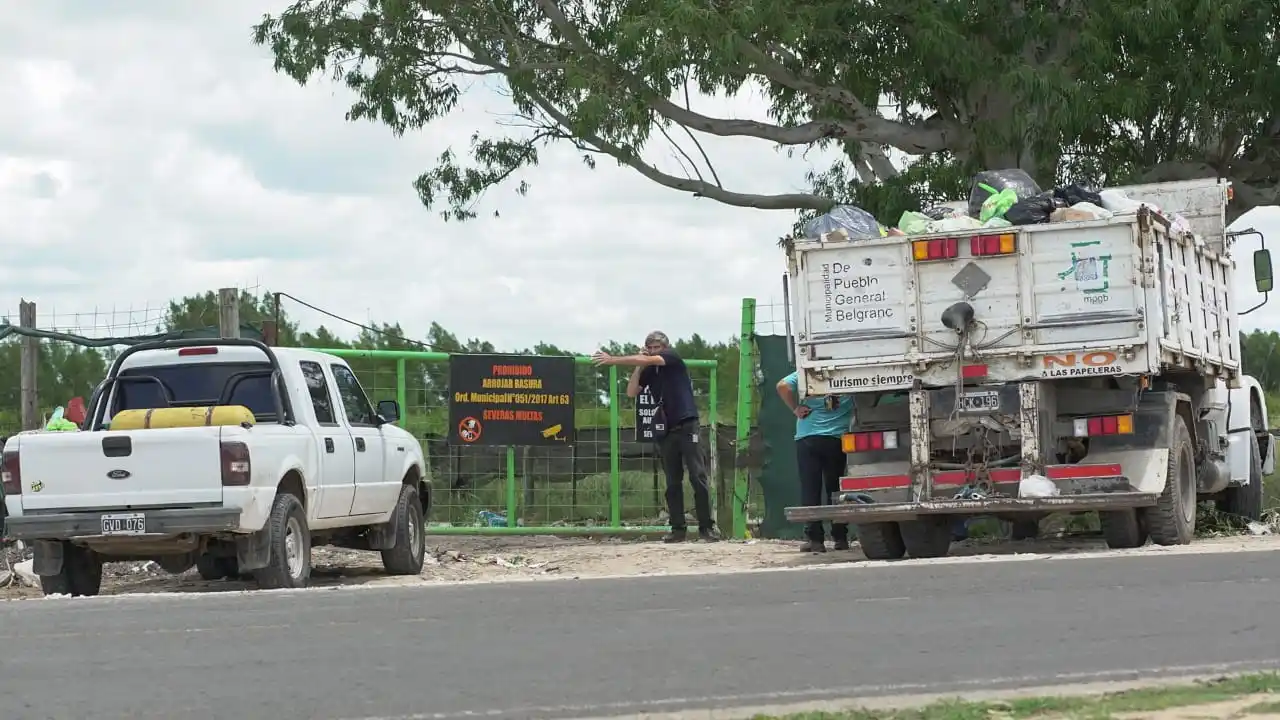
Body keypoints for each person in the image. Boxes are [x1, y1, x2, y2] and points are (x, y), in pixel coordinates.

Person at [592, 332, 719, 543]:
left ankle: (707, 527)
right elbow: (632, 391)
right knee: (672, 481)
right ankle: (678, 528)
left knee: (697, 475)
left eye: (656, 347)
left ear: (665, 347)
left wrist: (613, 360)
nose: (652, 351)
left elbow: (653, 359)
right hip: (666, 429)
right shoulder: (651, 370)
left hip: (687, 423)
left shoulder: (672, 359)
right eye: (649, 348)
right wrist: (639, 366)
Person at [776, 372, 854, 552]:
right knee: (836, 488)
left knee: (811, 488)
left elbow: (782, 385)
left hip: (808, 437)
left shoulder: (809, 370)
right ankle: (840, 537)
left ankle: (815, 540)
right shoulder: (848, 371)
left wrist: (795, 408)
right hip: (837, 438)